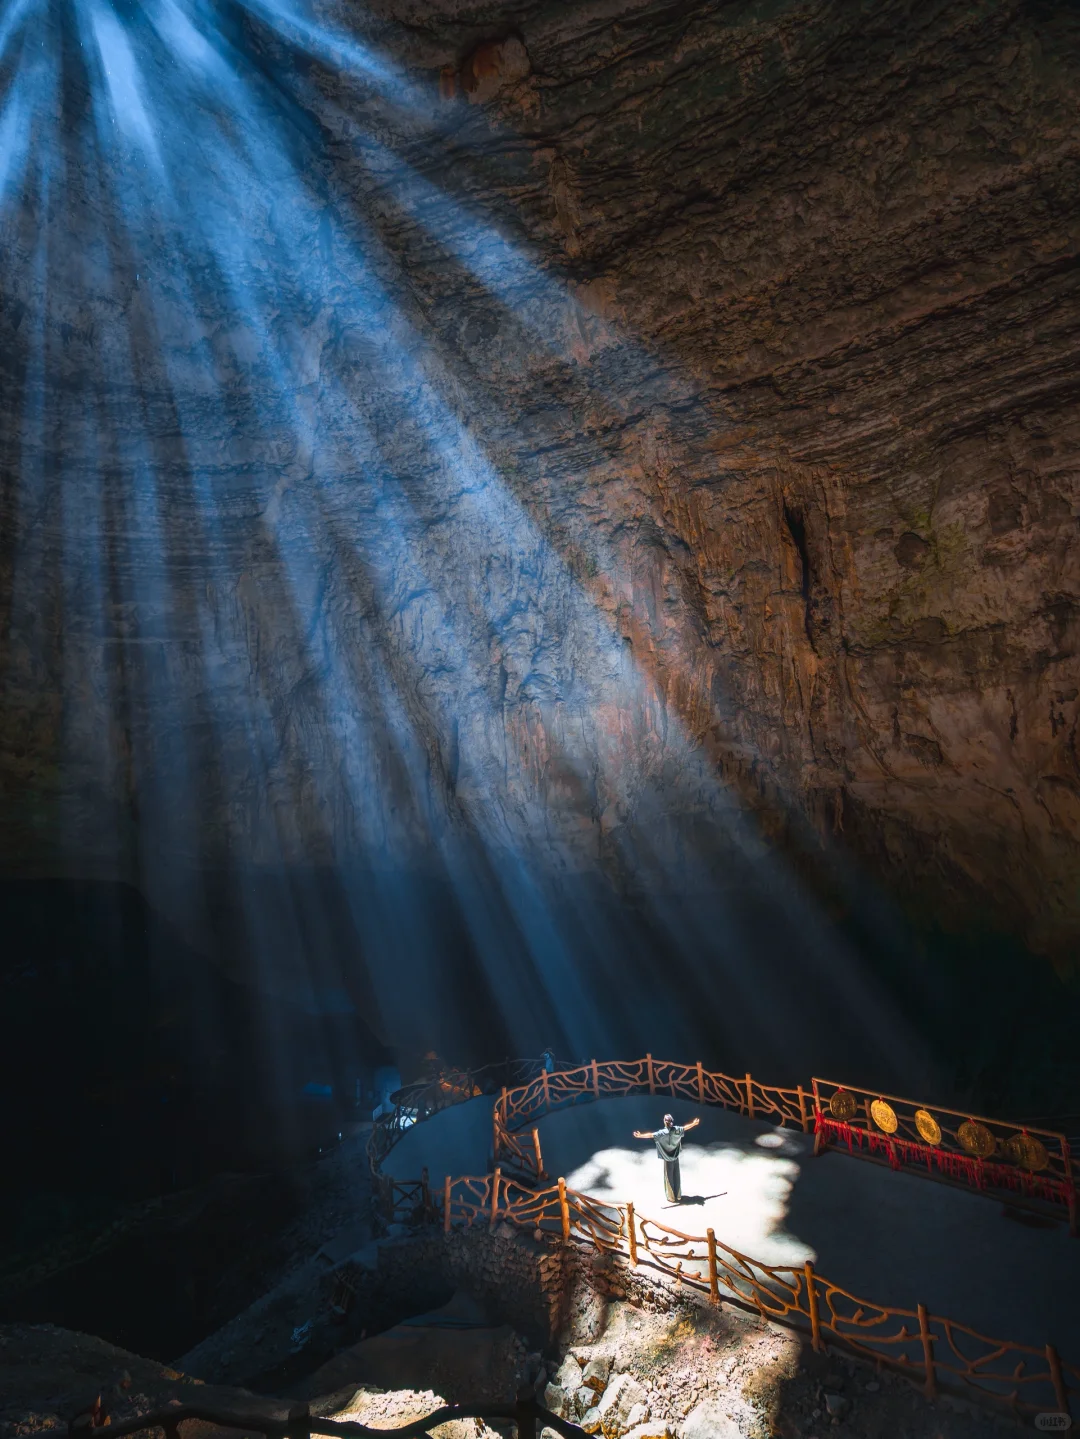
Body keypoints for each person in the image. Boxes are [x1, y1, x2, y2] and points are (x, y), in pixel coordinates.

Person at [632, 1113, 700, 1202]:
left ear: (665, 1122)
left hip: (667, 1158)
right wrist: (693, 1124)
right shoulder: (677, 1130)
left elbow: (650, 1135)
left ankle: (671, 1197)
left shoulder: (661, 1133)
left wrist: (640, 1135)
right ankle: (678, 1195)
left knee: (669, 1177)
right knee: (676, 1175)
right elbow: (685, 1128)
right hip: (675, 1156)